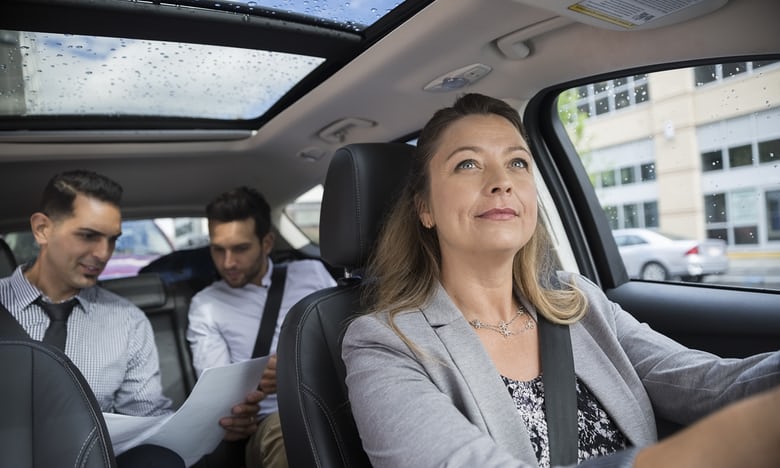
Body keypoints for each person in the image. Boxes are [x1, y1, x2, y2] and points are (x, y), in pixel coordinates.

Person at [341, 93, 780, 468]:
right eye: (468, 164)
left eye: (517, 162)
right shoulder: (384, 344)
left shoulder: (577, 301)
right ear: (425, 209)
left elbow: (708, 381)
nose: (501, 183)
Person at [0, 170, 185, 468]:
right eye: (88, 235)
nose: (103, 253)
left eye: (112, 240)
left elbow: (147, 420)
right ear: (42, 229)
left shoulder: (128, 322)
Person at [187, 186, 337, 468]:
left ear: (266, 243)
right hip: (270, 422)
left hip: (335, 402)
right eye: (218, 250)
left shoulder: (311, 273)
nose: (228, 262)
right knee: (290, 433)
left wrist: (296, 369)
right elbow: (217, 395)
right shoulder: (206, 305)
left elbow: (344, 339)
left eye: (240, 249)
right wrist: (254, 386)